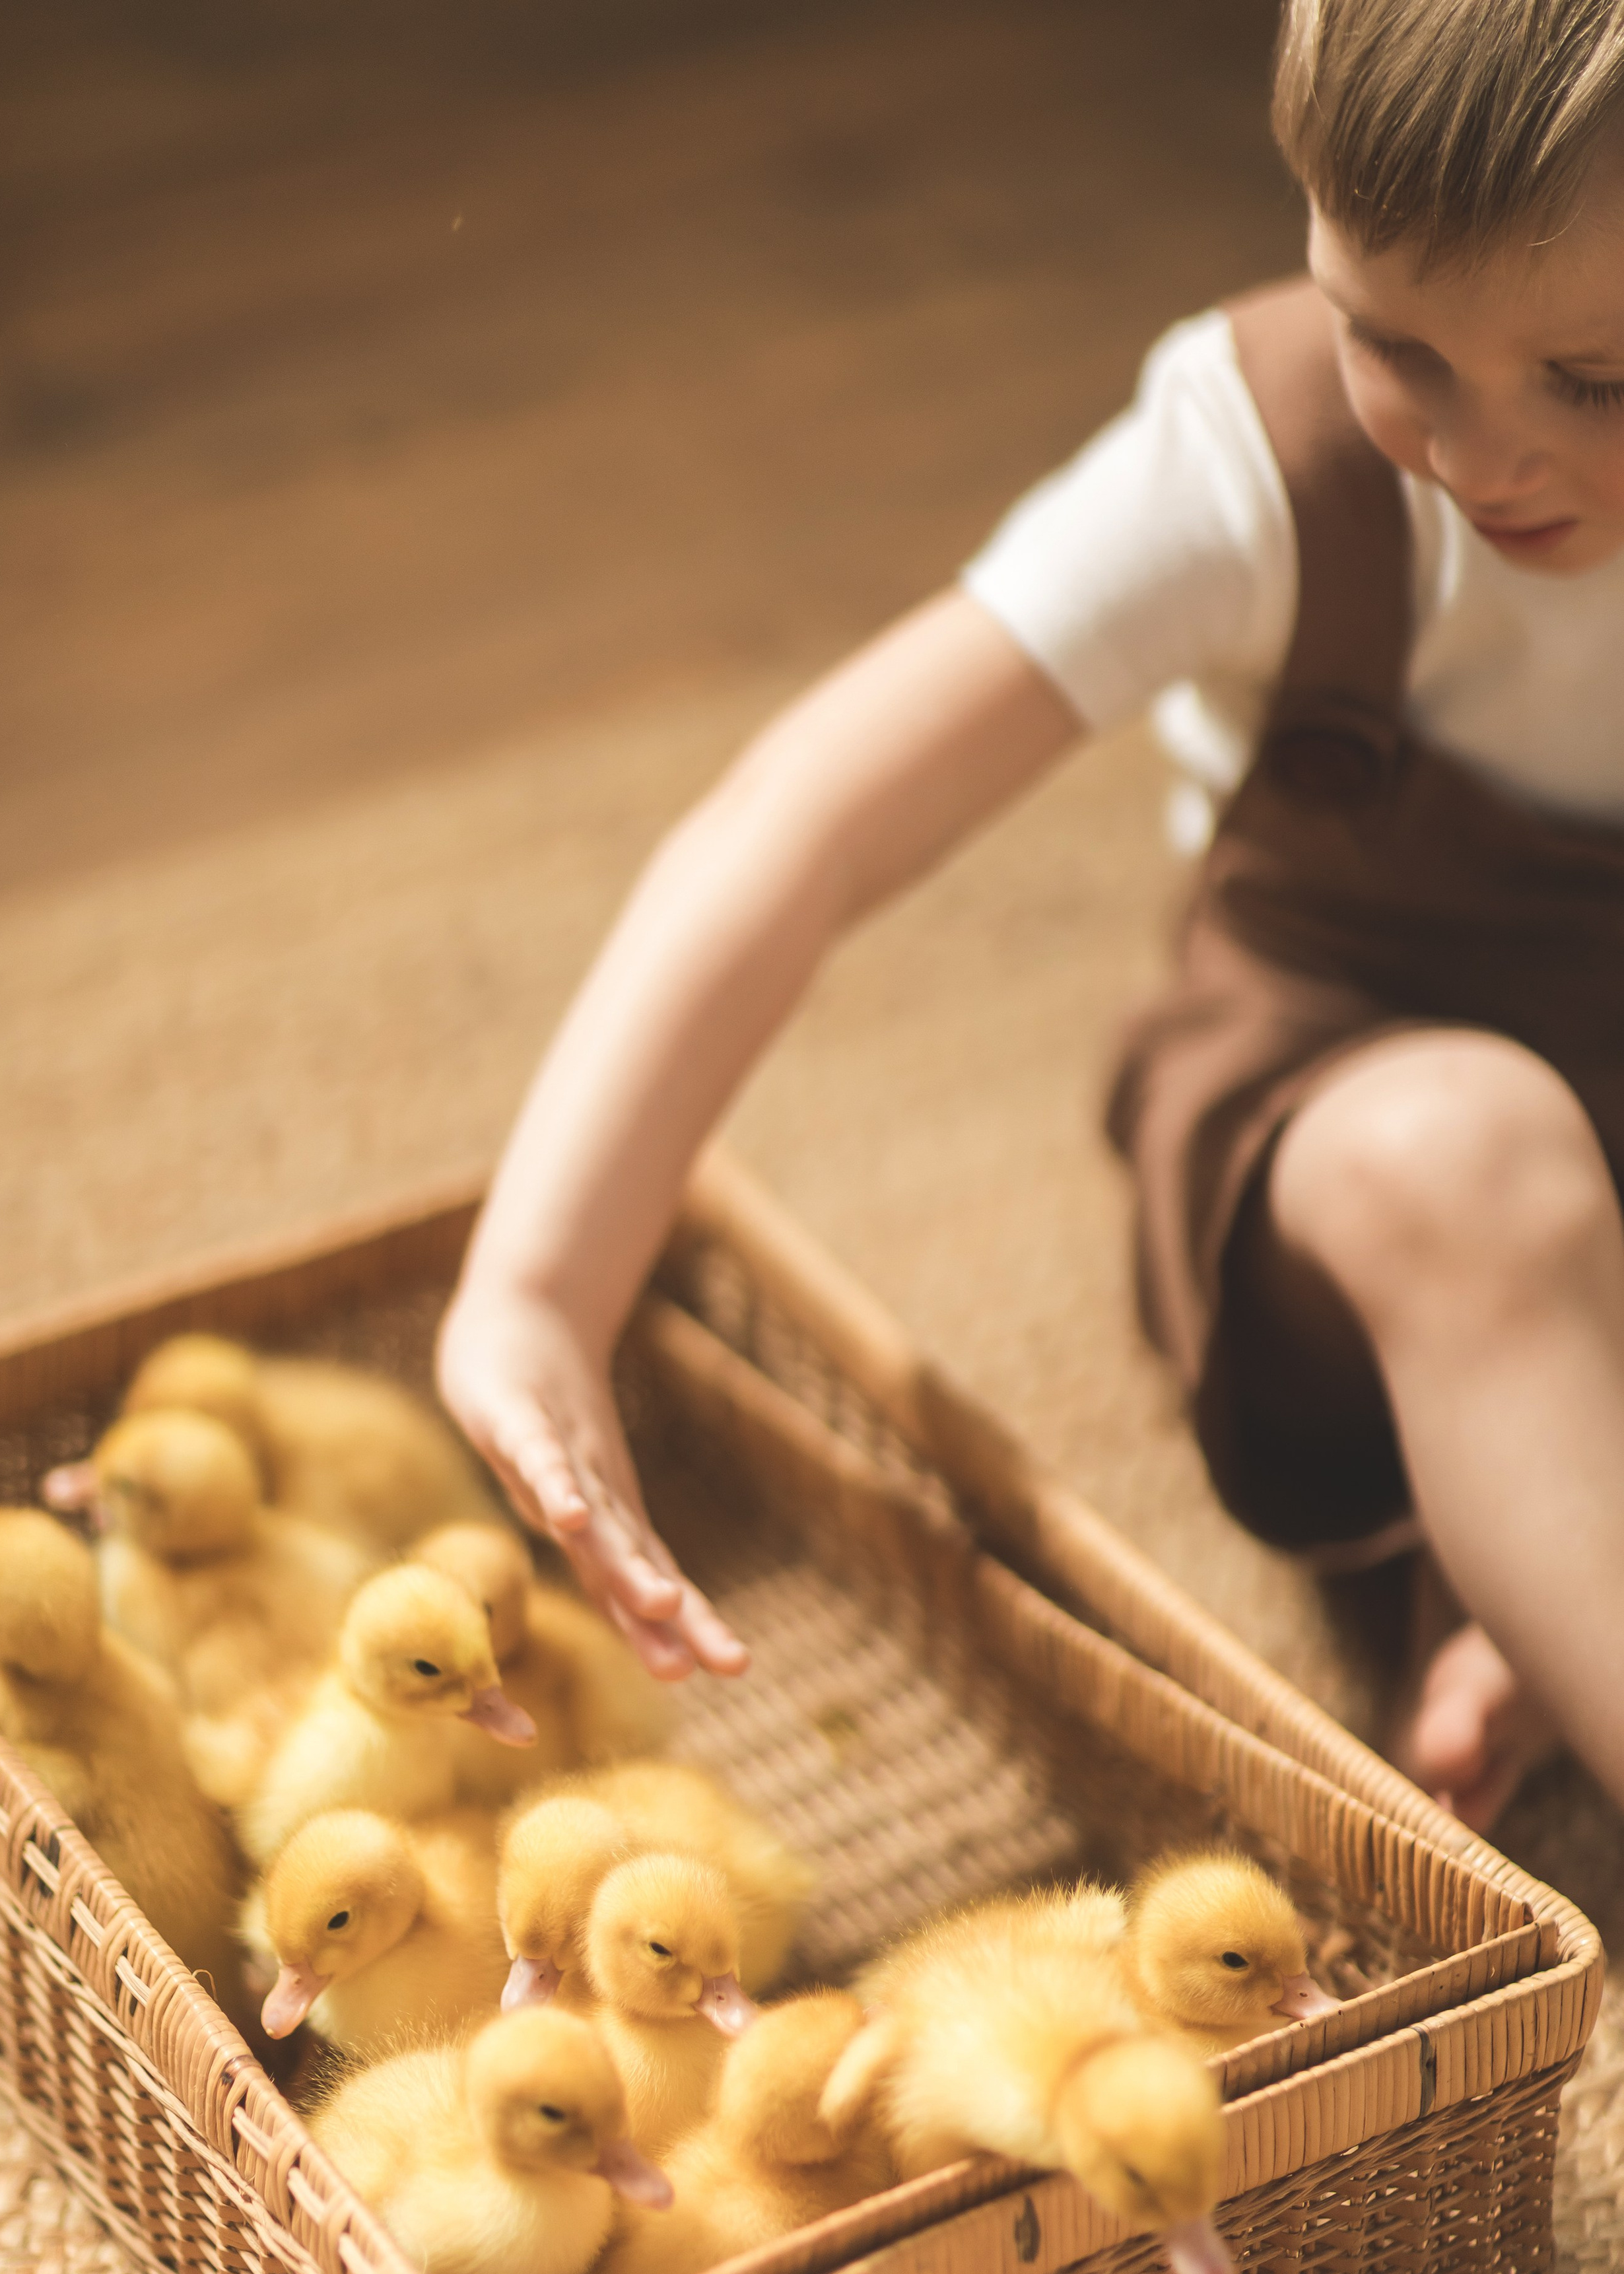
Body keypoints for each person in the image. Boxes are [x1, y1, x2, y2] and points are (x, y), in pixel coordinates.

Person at [438, 0, 1624, 1835]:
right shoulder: (1263, 458)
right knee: (1478, 1164)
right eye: (1396, 339)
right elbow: (803, 819)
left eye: (1596, 382)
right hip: (1345, 1126)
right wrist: (541, 1283)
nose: (1483, 457)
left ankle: (1536, 1574)